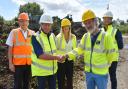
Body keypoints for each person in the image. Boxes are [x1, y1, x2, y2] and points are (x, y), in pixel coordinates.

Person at [66, 9, 117, 89]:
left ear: (95, 21)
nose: (88, 25)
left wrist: (105, 66)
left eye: (90, 22)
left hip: (101, 74)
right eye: (85, 23)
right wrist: (67, 55)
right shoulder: (86, 37)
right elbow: (79, 49)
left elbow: (111, 55)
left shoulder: (106, 36)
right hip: (88, 73)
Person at [31, 14, 61, 89]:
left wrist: (60, 56)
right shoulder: (35, 37)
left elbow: (55, 51)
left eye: (49, 25)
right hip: (42, 73)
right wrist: (57, 57)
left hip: (53, 71)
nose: (47, 27)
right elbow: (40, 55)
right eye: (45, 25)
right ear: (41, 24)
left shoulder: (53, 36)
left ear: (51, 25)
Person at [6, 12, 34, 89]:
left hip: (29, 64)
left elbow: (35, 49)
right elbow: (10, 49)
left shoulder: (32, 33)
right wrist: (10, 64)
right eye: (21, 21)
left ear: (28, 22)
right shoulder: (14, 32)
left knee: (26, 85)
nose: (23, 23)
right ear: (19, 22)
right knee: (17, 85)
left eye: (25, 21)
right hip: (18, 65)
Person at [102, 10, 123, 89]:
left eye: (108, 18)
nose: (106, 20)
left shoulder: (116, 31)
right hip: (102, 58)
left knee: (111, 77)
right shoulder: (100, 31)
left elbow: (120, 46)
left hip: (112, 58)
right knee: (104, 77)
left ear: (111, 20)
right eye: (104, 18)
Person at [56, 18, 77, 89]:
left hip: (70, 61)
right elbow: (55, 50)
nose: (66, 28)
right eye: (64, 26)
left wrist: (73, 57)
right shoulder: (58, 37)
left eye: (67, 26)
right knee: (61, 81)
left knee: (70, 80)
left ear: (69, 27)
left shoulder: (73, 37)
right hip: (61, 62)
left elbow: (75, 49)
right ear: (62, 27)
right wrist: (59, 58)